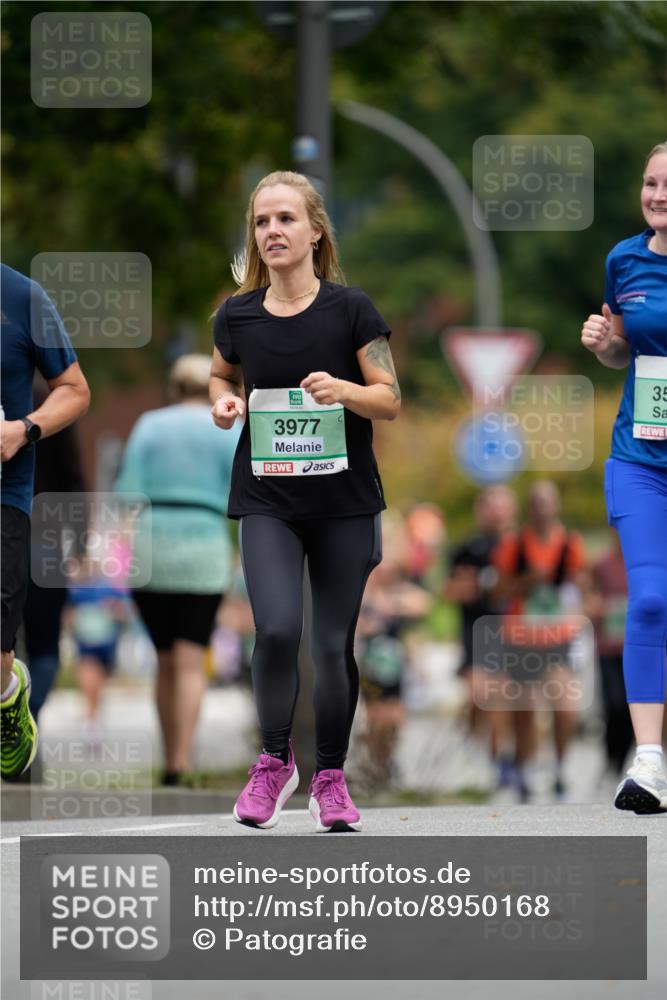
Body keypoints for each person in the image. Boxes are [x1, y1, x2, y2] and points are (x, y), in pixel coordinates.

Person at [210, 170, 400, 832]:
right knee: (278, 629)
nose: (272, 232)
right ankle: (272, 762)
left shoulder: (350, 309)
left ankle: (329, 778)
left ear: (315, 231)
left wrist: (343, 390)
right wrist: (224, 401)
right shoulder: (236, 315)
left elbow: (390, 398)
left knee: (327, 645)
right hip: (267, 497)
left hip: (343, 504)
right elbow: (218, 372)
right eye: (262, 222)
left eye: (285, 219)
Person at [581, 141, 667, 814]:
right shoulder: (623, 259)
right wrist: (605, 345)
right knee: (646, 602)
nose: (657, 195)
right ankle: (647, 761)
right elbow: (621, 352)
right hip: (639, 458)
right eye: (649, 183)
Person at [114, 354, 240, 785]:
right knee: (191, 661)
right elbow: (243, 489)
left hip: (152, 545)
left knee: (164, 659)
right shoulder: (226, 426)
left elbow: (126, 489)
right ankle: (181, 762)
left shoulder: (150, 424)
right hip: (204, 544)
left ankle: (167, 755)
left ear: (173, 386)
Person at [1, 263, 90, 779]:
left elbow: (76, 391)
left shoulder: (24, 298)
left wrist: (23, 430)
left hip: (7, 497)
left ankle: (10, 693)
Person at [491, 480, 587, 800]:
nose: (543, 510)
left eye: (548, 503)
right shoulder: (513, 544)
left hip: (558, 637)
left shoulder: (570, 543)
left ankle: (560, 768)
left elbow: (580, 587)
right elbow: (497, 592)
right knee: (526, 710)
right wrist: (523, 583)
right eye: (537, 503)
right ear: (529, 508)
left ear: (556, 506)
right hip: (521, 638)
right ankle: (524, 768)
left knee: (566, 708)